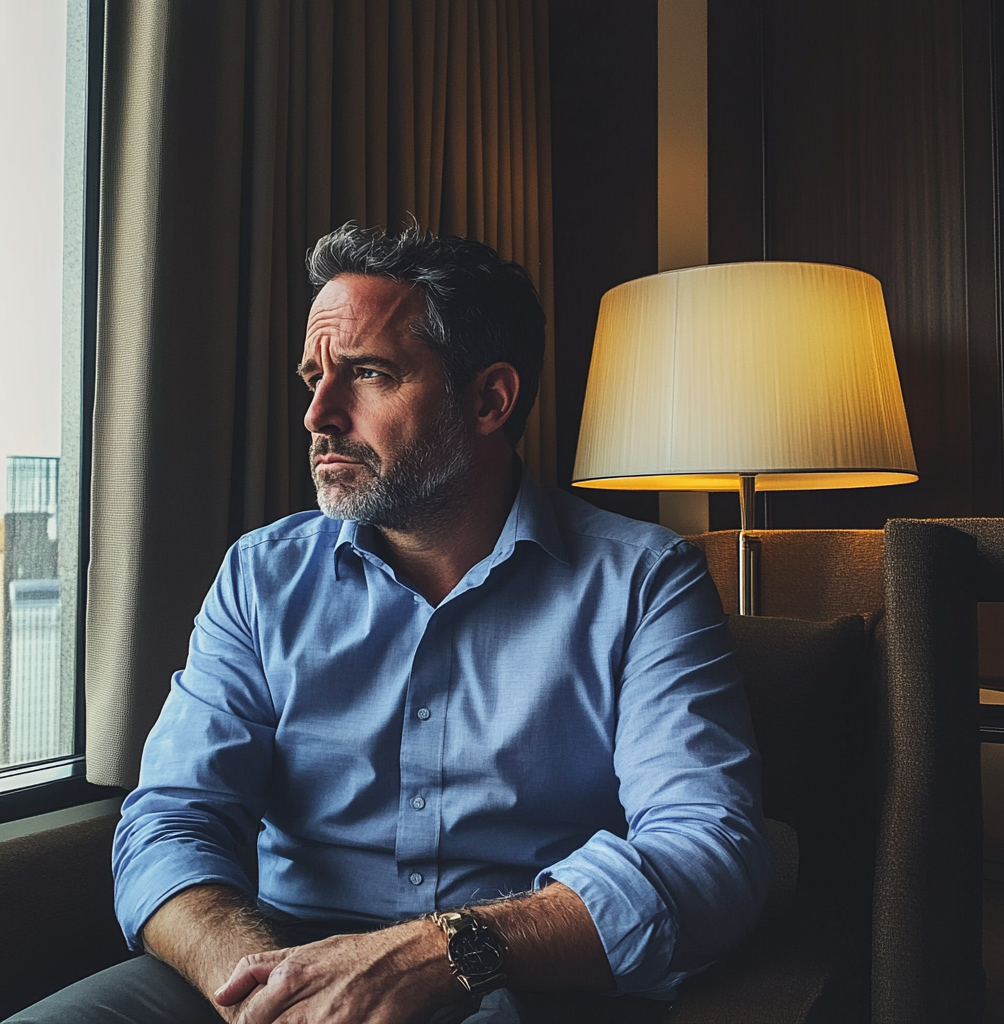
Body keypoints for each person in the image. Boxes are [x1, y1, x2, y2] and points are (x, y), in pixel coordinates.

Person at [8, 224, 770, 1024]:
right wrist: (272, 993)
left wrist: (436, 954)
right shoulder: (261, 576)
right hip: (267, 967)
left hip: (517, 979)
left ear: (488, 399)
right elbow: (172, 816)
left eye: (369, 373)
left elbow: (708, 852)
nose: (318, 415)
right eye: (314, 377)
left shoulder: (646, 580)